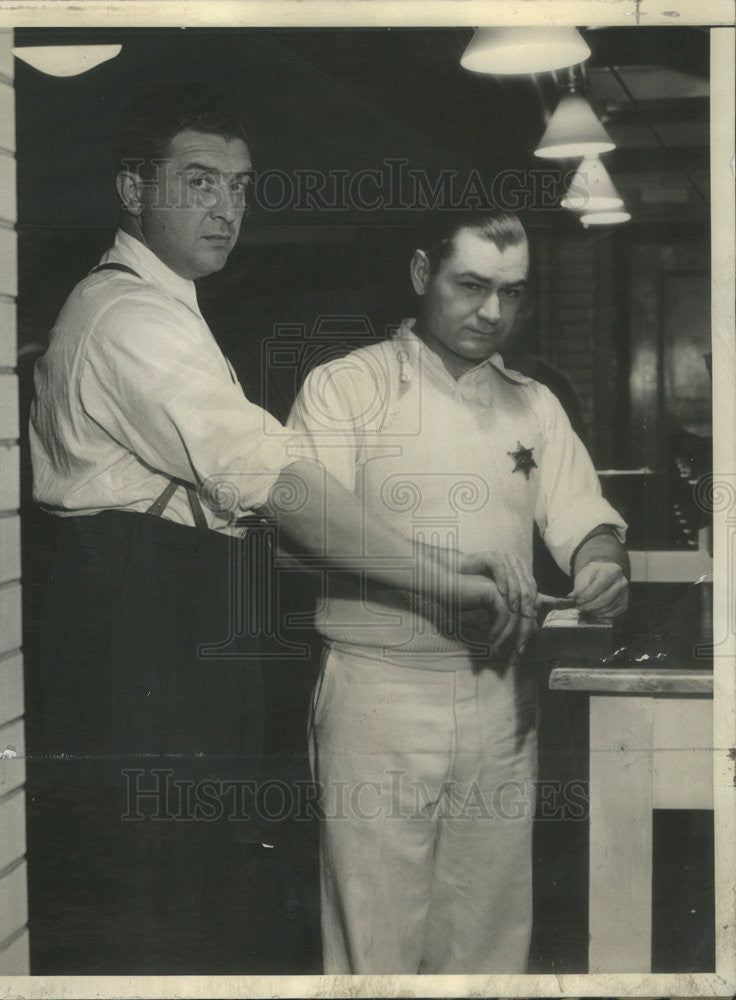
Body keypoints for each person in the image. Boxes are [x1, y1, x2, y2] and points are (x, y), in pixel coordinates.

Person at [27, 85, 527, 974]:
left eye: (241, 185)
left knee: (192, 873)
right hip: (135, 609)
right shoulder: (131, 317)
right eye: (199, 182)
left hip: (162, 600)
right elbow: (278, 481)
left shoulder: (164, 307)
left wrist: (428, 558)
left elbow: (288, 496)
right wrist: (440, 580)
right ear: (134, 189)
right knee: (153, 882)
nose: (227, 208)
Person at [287, 209, 630, 974]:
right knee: (373, 938)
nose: (492, 313)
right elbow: (308, 528)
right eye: (471, 286)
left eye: (512, 293)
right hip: (380, 687)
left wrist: (602, 565)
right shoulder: (347, 386)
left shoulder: (534, 403)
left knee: (489, 937)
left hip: (502, 695)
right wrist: (441, 576)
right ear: (420, 274)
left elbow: (584, 517)